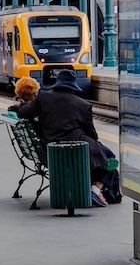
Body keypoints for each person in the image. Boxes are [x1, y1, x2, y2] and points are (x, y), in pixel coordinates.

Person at [13, 69, 115, 205]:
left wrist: (18, 107)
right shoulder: (83, 105)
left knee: (97, 154)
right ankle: (95, 189)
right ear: (73, 86)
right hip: (76, 148)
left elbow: (22, 113)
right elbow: (91, 134)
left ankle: (91, 189)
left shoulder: (43, 98)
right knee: (109, 156)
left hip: (50, 147)